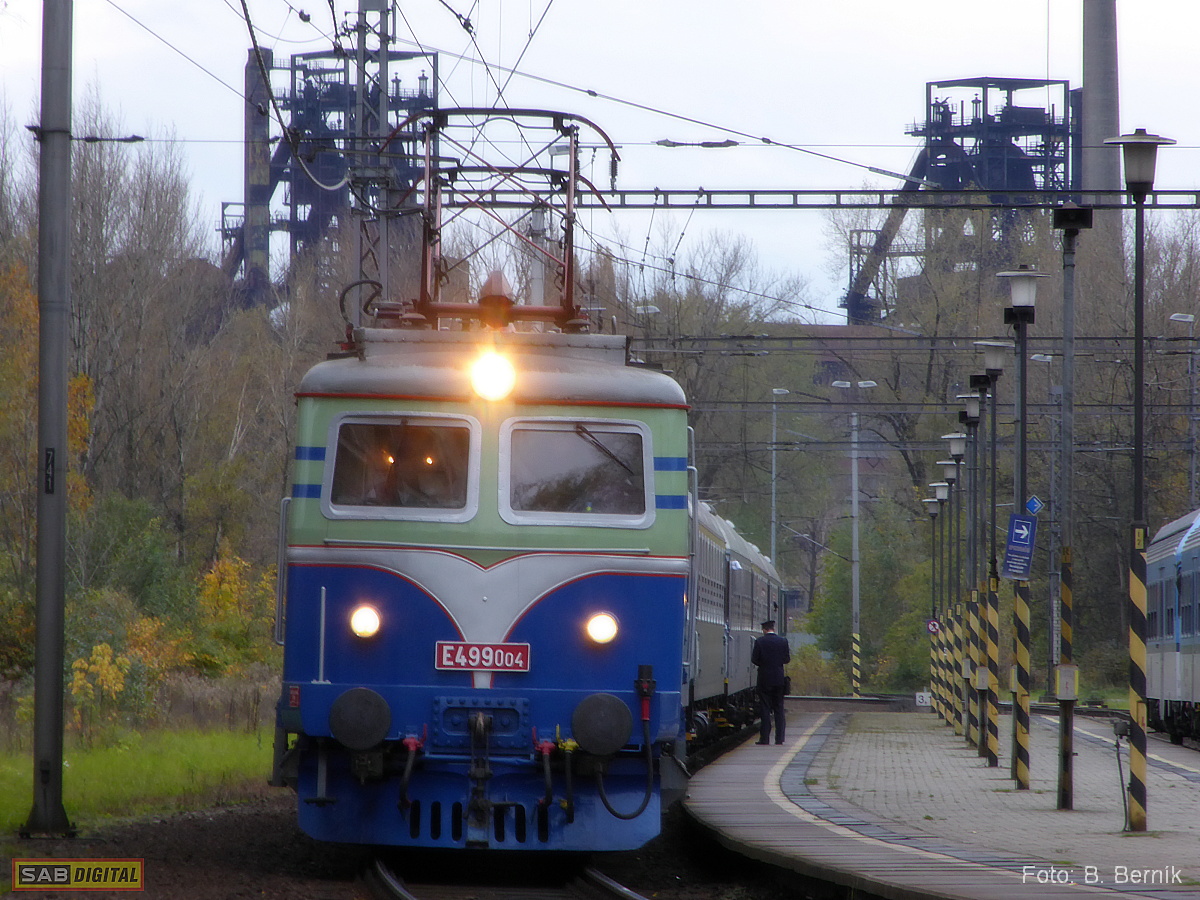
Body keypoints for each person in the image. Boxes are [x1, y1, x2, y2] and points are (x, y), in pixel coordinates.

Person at [751, 619, 790, 745]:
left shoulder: (760, 641)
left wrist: (764, 664)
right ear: (773, 628)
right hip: (779, 679)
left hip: (764, 679)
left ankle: (765, 738)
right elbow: (787, 659)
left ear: (764, 630)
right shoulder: (783, 641)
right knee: (779, 708)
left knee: (765, 708)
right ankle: (779, 738)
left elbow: (754, 659)